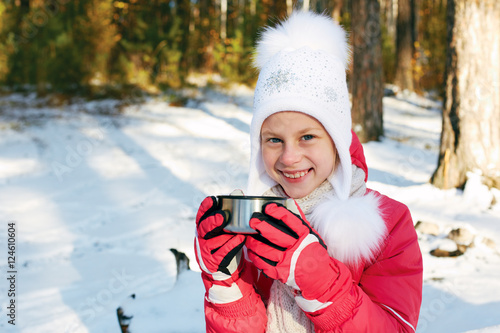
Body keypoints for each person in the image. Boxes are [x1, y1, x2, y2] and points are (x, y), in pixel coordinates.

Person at [194, 11, 423, 332]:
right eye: (274, 139)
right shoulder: (250, 222)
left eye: (307, 137)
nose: (289, 157)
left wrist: (317, 278)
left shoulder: (389, 224)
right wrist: (225, 285)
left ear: (337, 140)